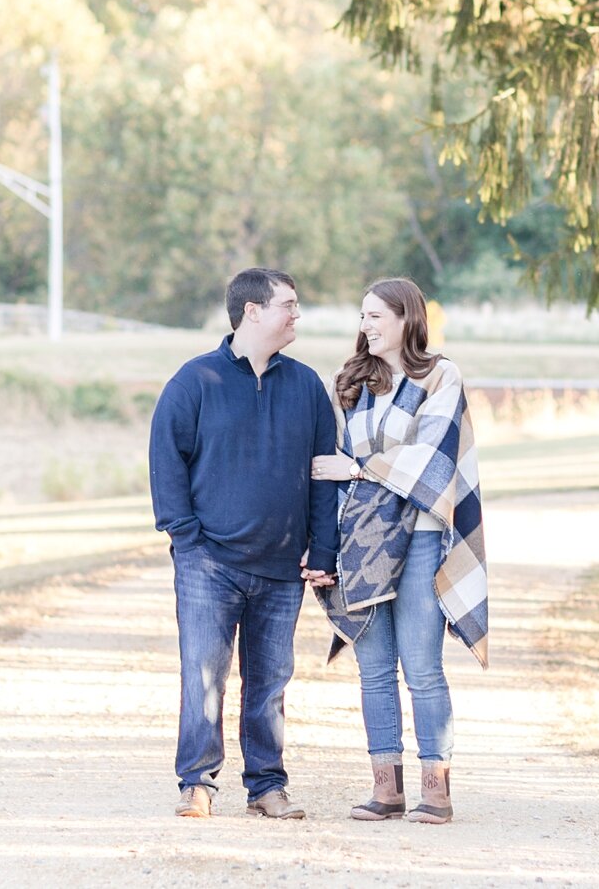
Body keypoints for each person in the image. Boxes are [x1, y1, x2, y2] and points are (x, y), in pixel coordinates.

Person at [148, 267, 342, 820]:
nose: (297, 315)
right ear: (252, 311)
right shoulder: (196, 381)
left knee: (271, 682)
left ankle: (266, 786)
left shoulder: (306, 386)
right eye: (289, 305)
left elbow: (324, 474)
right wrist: (186, 537)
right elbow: (166, 460)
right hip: (209, 561)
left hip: (282, 566)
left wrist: (323, 549)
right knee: (203, 673)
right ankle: (198, 785)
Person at [313, 277, 488, 825]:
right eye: (362, 316)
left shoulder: (440, 375)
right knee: (373, 668)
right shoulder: (355, 383)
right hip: (364, 537)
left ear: (406, 318)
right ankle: (385, 790)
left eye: (375, 316)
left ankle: (436, 790)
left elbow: (431, 456)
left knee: (422, 666)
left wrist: (360, 469)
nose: (365, 325)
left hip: (420, 536)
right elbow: (332, 465)